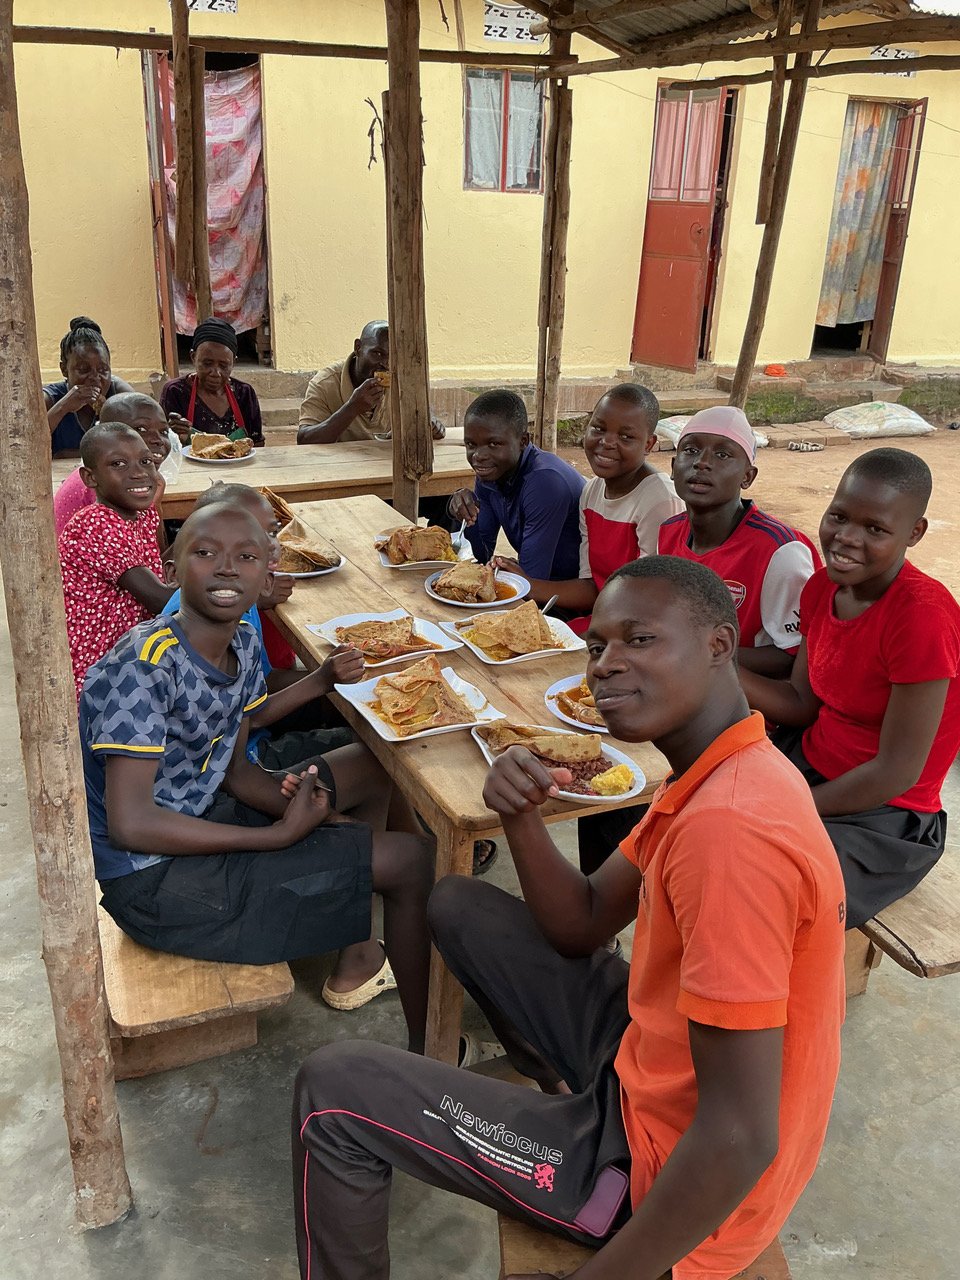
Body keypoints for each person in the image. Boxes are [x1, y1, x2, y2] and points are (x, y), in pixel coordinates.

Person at [292, 557, 846, 1280]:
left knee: (333, 1089)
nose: (606, 667)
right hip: (653, 1065)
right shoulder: (724, 768)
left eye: (640, 641)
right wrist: (520, 817)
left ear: (718, 645)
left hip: (660, 1175)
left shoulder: (730, 832)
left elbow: (739, 1134)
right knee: (456, 903)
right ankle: (558, 1090)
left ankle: (573, 1157)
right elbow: (580, 923)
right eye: (597, 646)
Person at [82, 503, 434, 1047]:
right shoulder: (142, 668)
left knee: (373, 762)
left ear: (267, 576)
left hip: (204, 813)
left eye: (245, 557)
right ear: (171, 571)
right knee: (412, 862)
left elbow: (236, 769)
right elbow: (131, 825)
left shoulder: (240, 643)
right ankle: (432, 1057)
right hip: (154, 879)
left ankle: (359, 952)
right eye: (204, 553)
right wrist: (278, 836)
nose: (227, 569)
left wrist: (315, 816)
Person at [740, 447, 960, 928]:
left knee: (771, 892)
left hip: (885, 815)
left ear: (914, 533)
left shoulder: (922, 617)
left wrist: (791, 806)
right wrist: (716, 667)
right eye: (838, 516)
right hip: (810, 762)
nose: (846, 538)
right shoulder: (821, 589)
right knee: (692, 811)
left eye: (875, 529)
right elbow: (800, 704)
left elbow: (896, 772)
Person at [494, 384, 682, 630]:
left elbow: (653, 604)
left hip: (638, 631)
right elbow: (592, 586)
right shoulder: (591, 492)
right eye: (599, 428)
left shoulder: (658, 500)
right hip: (600, 619)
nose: (607, 442)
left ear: (649, 444)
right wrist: (525, 582)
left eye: (626, 436)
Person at [659, 405, 820, 677]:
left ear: (748, 476)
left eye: (722, 454)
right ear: (674, 468)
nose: (702, 462)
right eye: (690, 450)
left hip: (748, 700)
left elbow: (792, 657)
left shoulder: (780, 552)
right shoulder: (668, 532)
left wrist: (697, 655)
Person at [58, 423, 173, 700]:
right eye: (118, 464)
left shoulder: (141, 514)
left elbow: (156, 569)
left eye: (146, 461)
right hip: (102, 670)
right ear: (90, 478)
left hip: (134, 645)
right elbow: (160, 599)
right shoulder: (95, 523)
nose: (139, 472)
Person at [447, 389, 585, 581]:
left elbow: (530, 582)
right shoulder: (492, 472)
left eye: (494, 444)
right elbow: (478, 556)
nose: (478, 456)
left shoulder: (545, 482)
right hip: (543, 587)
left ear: (523, 441)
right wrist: (464, 513)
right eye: (471, 445)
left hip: (575, 600)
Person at [297, 320, 445, 445]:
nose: (386, 364)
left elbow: (423, 411)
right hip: (341, 470)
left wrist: (430, 423)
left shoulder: (402, 379)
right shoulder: (325, 383)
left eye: (393, 356)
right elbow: (304, 439)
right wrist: (352, 408)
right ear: (358, 348)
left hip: (386, 467)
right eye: (377, 354)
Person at [54, 393, 174, 536]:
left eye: (164, 431)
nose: (158, 439)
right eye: (141, 429)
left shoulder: (136, 479)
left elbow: (149, 552)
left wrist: (154, 506)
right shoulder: (105, 486)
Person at [160, 317, 264, 446]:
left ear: (233, 363)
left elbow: (257, 444)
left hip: (237, 466)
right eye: (207, 363)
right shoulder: (175, 392)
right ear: (193, 357)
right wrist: (173, 434)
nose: (215, 373)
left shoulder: (244, 393)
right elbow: (163, 445)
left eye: (224, 365)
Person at [43, 317, 134, 457]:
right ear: (64, 369)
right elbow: (27, 442)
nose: (95, 378)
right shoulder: (50, 399)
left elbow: (141, 440)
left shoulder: (120, 394)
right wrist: (63, 407)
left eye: (103, 370)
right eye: (83, 370)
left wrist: (109, 414)